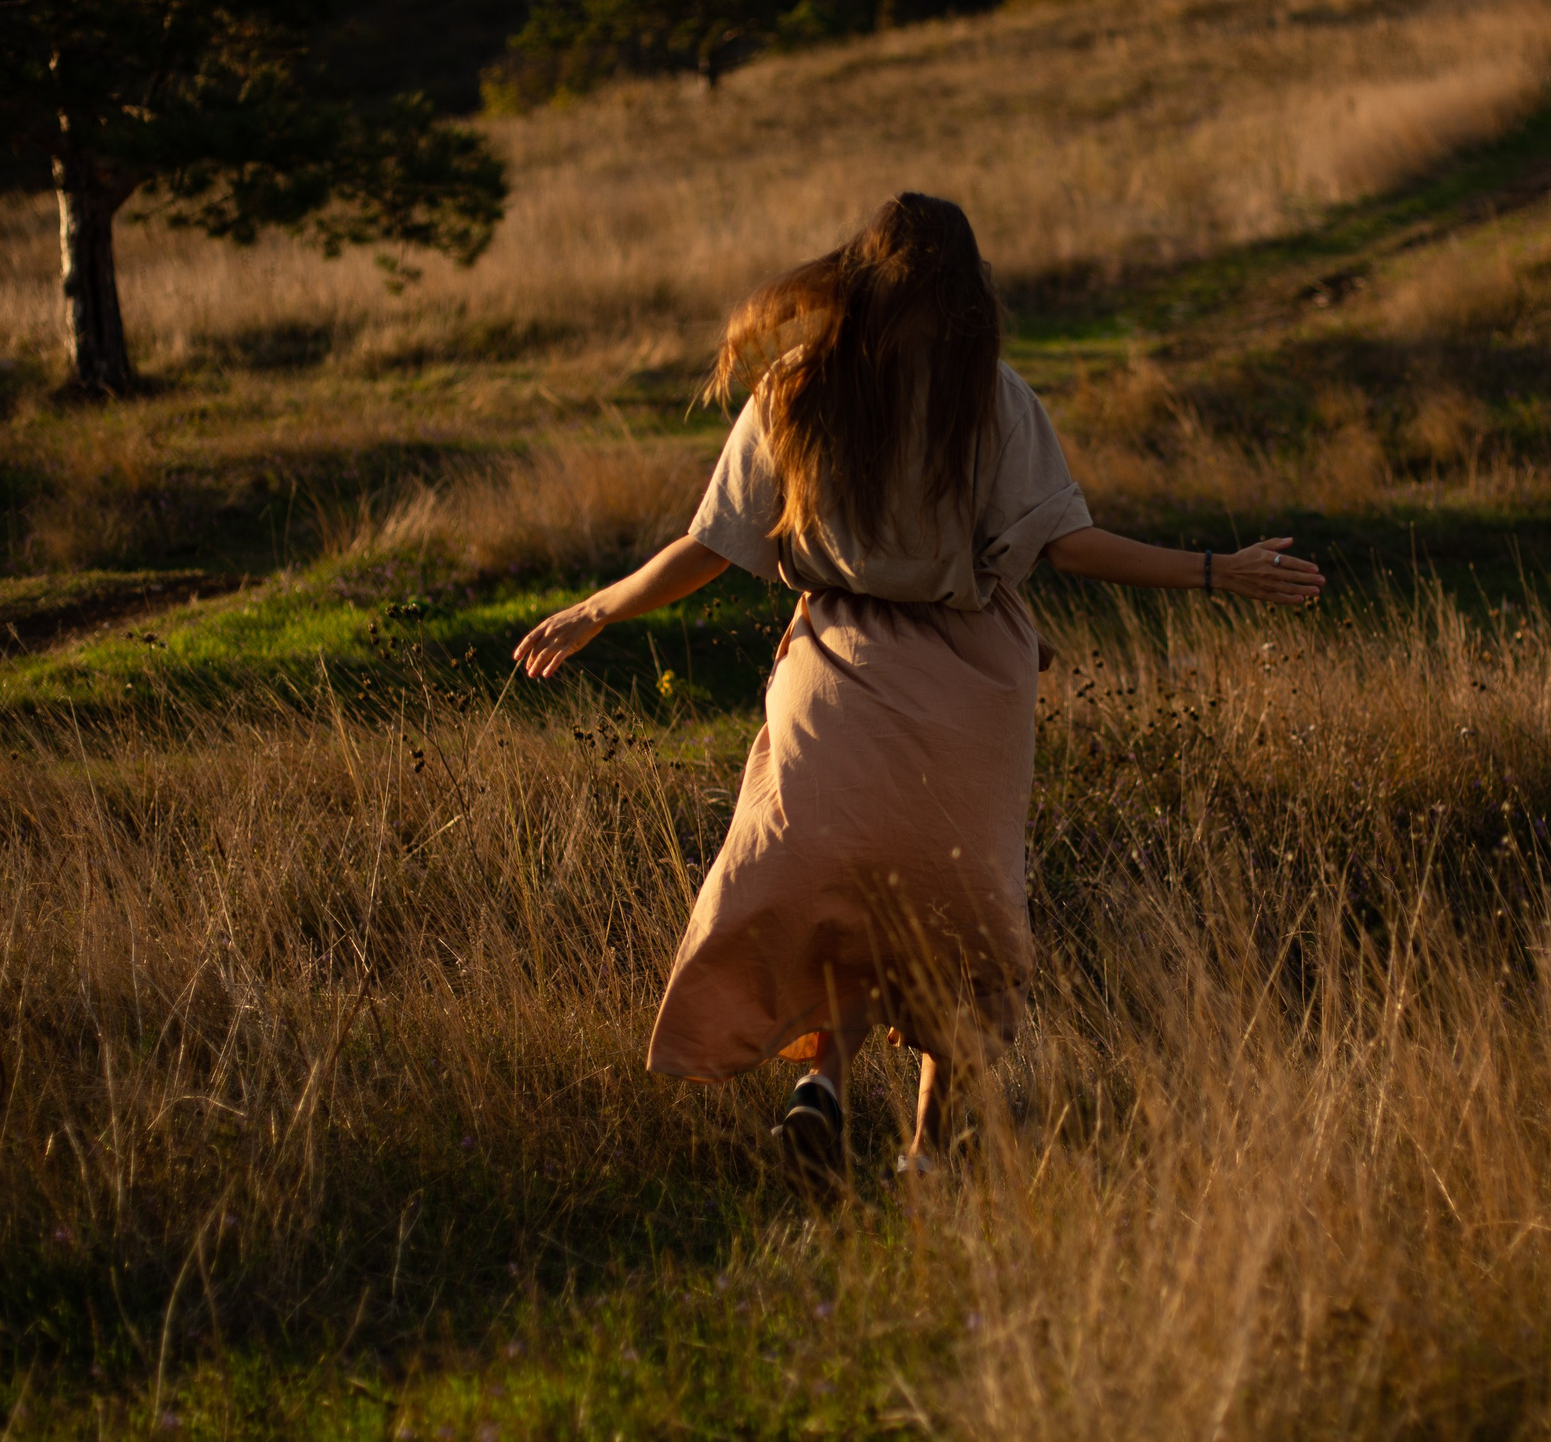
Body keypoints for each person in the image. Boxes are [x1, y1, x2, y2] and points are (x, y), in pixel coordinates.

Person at [513, 193, 1322, 1191]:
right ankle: (926, 1153)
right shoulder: (989, 395)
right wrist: (1213, 570)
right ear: (964, 289)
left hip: (838, 663)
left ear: (858, 275)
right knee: (958, 910)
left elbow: (707, 546)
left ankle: (827, 1087)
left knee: (829, 881)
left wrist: (597, 608)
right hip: (973, 675)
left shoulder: (798, 387)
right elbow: (1066, 545)